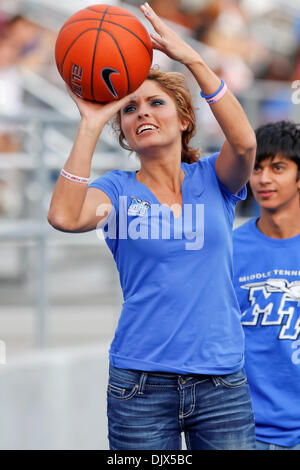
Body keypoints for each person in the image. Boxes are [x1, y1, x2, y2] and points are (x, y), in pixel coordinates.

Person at [48, 3, 256, 450]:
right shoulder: (117, 191)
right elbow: (65, 217)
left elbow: (245, 142)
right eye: (130, 109)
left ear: (183, 120)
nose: (142, 113)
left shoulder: (215, 180)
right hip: (140, 385)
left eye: (156, 103)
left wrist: (194, 60)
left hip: (221, 382)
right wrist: (90, 122)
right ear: (122, 131)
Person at [232, 120, 300, 450]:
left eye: (278, 167)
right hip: (244, 433)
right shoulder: (229, 250)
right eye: (256, 168)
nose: (264, 178)